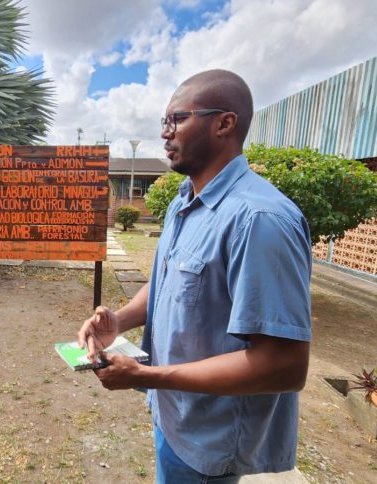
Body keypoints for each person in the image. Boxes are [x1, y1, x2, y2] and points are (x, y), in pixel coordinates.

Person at [79, 70, 312, 483]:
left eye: (177, 119)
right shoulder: (184, 202)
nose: (166, 134)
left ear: (224, 123)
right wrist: (119, 321)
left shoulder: (260, 220)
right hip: (173, 413)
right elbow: (168, 281)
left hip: (210, 440)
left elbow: (284, 365)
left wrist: (148, 376)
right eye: (163, 123)